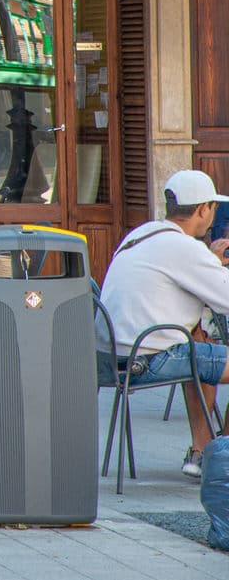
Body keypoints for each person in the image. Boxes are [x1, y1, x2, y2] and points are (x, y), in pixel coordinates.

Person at [99, 169, 229, 479]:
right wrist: (212, 261)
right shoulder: (185, 248)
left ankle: (202, 451)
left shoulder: (140, 234)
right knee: (200, 352)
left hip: (111, 358)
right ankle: (223, 454)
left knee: (199, 342)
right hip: (147, 360)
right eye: (213, 207)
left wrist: (209, 262)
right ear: (203, 209)